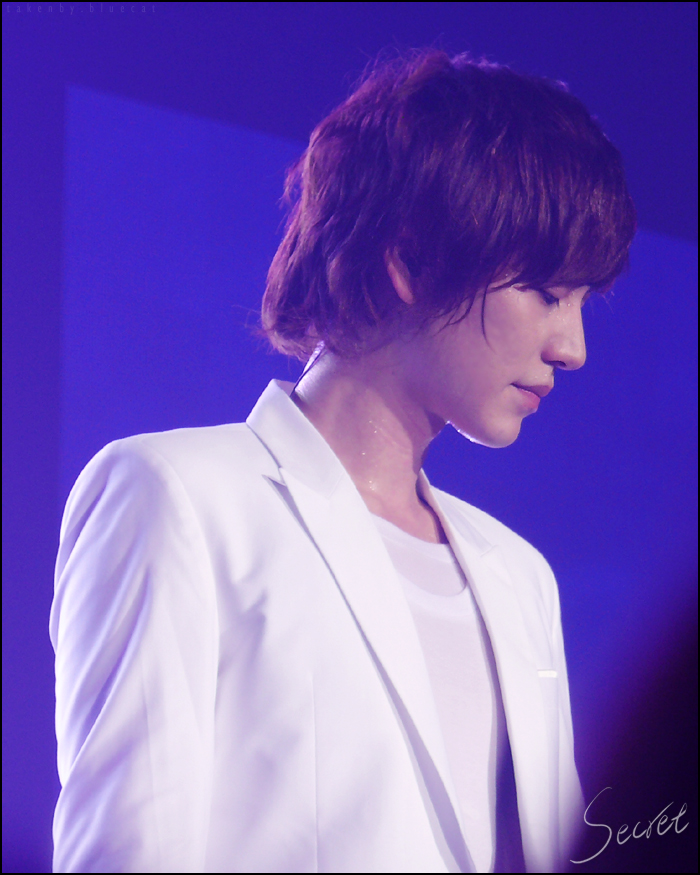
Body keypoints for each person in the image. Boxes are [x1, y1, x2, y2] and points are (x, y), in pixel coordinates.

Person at [50, 48, 636, 873]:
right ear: (409, 260)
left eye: (581, 301)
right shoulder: (177, 499)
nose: (571, 347)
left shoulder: (520, 576)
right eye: (545, 291)